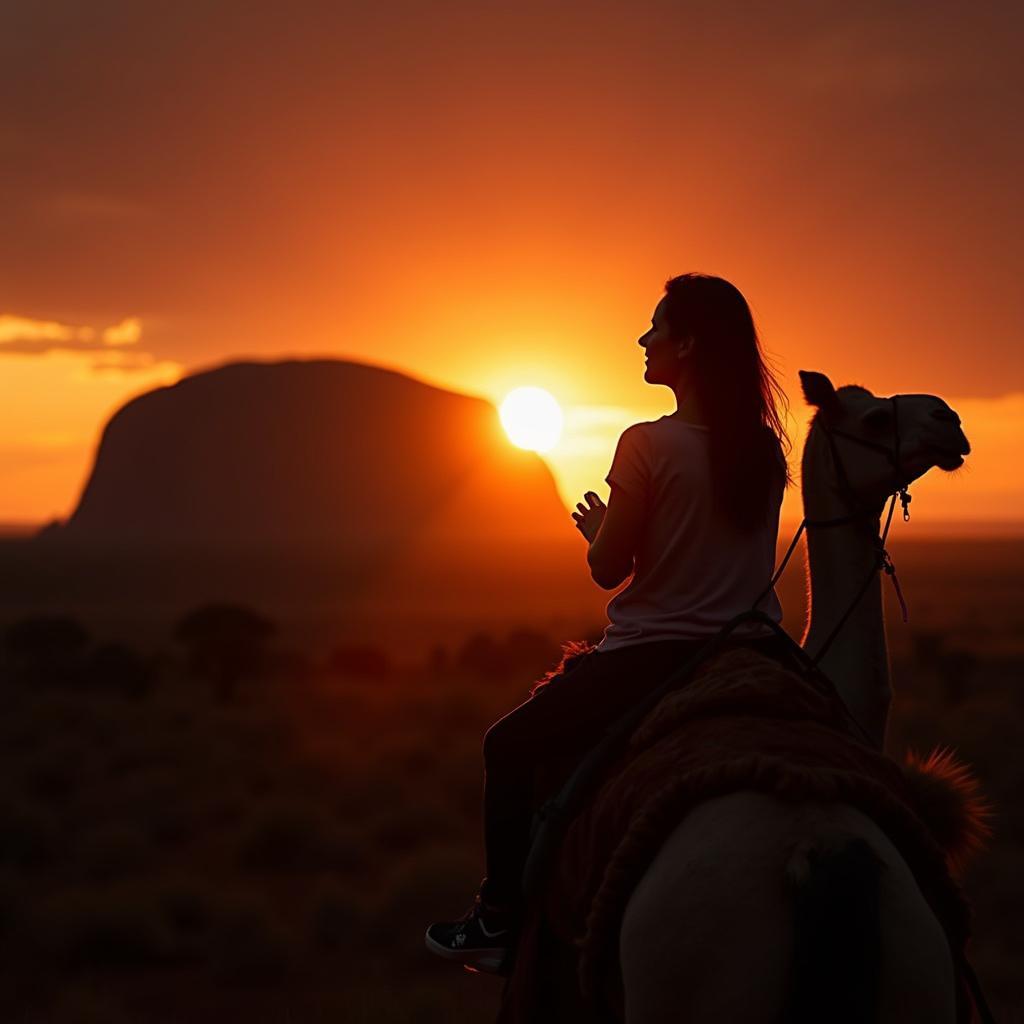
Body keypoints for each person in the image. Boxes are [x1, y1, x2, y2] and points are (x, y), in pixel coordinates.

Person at [425, 273, 792, 972]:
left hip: (652, 657)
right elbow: (712, 554)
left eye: (657, 327)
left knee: (506, 746)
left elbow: (607, 569)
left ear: (687, 345)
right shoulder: (764, 448)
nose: (644, 339)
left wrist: (600, 535)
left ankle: (498, 920)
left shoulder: (647, 443)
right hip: (754, 651)